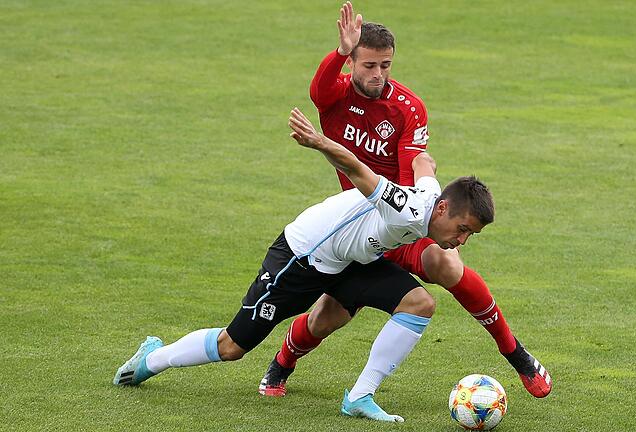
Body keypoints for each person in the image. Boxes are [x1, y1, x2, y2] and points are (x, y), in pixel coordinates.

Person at [113, 107, 494, 423]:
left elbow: (425, 163)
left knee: (419, 304)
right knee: (232, 347)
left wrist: (419, 148)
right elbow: (359, 170)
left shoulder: (432, 198)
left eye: (469, 235)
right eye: (462, 229)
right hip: (303, 257)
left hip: (350, 260)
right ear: (442, 209)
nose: (461, 241)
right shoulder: (409, 210)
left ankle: (359, 397)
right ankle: (153, 357)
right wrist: (319, 142)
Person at [259, 0, 551, 411]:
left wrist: (418, 207)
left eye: (386, 65)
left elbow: (412, 165)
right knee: (333, 315)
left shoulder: (408, 108)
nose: (378, 74)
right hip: (356, 226)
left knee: (447, 265)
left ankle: (514, 352)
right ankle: (283, 361)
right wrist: (340, 51)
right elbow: (318, 90)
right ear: (353, 64)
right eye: (369, 65)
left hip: (400, 218)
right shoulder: (335, 97)